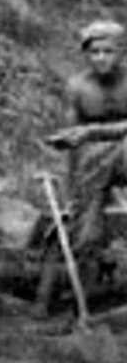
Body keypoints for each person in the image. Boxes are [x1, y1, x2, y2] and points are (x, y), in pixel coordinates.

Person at [37, 20, 127, 315]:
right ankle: (78, 304)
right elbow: (73, 136)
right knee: (85, 231)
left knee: (114, 147)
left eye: (108, 51)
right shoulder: (77, 87)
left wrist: (93, 133)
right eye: (94, 52)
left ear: (121, 52)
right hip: (93, 166)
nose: (101, 57)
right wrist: (73, 191)